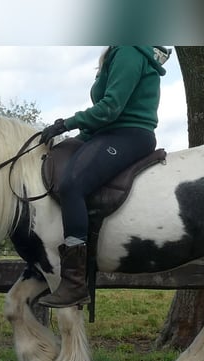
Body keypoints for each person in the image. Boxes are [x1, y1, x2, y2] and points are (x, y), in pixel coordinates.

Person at [37, 45, 172, 308]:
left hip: (130, 135)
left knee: (73, 185)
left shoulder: (129, 51)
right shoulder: (118, 50)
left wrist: (67, 123)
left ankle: (75, 282)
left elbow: (110, 108)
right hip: (106, 133)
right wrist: (75, 137)